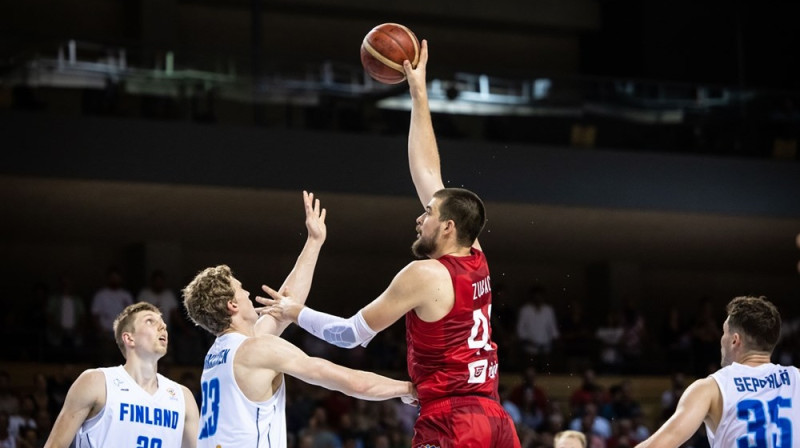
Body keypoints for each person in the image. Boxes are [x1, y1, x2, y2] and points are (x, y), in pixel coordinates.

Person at [259, 40, 520, 447]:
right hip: (494, 416)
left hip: (452, 420)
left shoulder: (424, 274)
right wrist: (418, 92)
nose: (419, 217)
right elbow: (428, 172)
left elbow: (350, 335)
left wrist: (297, 312)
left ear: (448, 227)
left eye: (428, 214)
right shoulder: (476, 256)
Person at [181, 191, 415, 448]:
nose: (249, 293)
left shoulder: (221, 352)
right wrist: (408, 388)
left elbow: (285, 307)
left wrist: (314, 242)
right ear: (232, 305)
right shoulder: (256, 349)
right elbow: (348, 381)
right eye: (242, 289)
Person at [635, 295, 800, 448]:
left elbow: (660, 444)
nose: (721, 339)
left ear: (735, 340)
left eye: (724, 332)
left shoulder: (711, 388)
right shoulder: (797, 378)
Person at [43, 302, 199, 448]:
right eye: (150, 321)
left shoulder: (183, 397)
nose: (163, 326)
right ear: (129, 338)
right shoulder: (96, 382)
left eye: (163, 323)